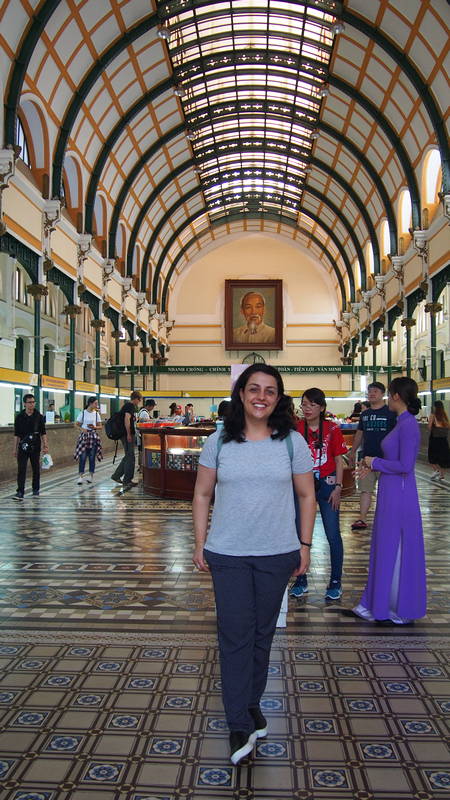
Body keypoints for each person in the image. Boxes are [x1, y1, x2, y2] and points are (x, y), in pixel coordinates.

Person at [192, 364, 315, 765]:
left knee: (263, 635)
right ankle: (239, 723)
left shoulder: (292, 442)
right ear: (241, 394)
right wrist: (200, 543)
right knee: (235, 636)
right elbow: (202, 494)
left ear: (278, 399)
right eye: (254, 389)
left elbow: (306, 496)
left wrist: (305, 545)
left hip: (277, 553)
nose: (261, 396)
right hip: (228, 553)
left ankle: (252, 703)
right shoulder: (219, 442)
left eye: (270, 391)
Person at [346, 377, 426, 625]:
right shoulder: (401, 423)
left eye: (389, 393)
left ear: (396, 397)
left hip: (400, 494)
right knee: (384, 544)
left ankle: (395, 604)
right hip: (391, 490)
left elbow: (405, 465)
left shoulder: (409, 424)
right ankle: (378, 601)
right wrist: (373, 465)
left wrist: (374, 462)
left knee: (393, 545)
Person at [290, 388, 348, 601]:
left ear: (322, 407)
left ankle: (335, 581)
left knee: (332, 534)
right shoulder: (296, 429)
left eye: (312, 404)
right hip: (302, 487)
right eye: (304, 404)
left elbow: (339, 459)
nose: (307, 408)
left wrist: (338, 487)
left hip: (327, 486)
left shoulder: (332, 428)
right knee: (299, 535)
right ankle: (301, 579)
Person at [347, 382, 396, 531]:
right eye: (369, 391)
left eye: (375, 391)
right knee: (365, 489)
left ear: (383, 394)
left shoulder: (390, 413)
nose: (372, 393)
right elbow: (359, 434)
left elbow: (396, 435)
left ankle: (388, 518)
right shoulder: (365, 414)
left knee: (386, 491)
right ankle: (362, 519)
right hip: (366, 459)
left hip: (385, 460)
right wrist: (353, 451)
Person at [13, 394, 48, 500]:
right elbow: (16, 434)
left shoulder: (39, 416)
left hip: (35, 446)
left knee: (36, 468)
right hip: (22, 447)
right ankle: (20, 491)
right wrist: (14, 449)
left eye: (33, 402)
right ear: (24, 404)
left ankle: (36, 489)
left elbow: (43, 433)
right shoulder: (19, 417)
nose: (32, 404)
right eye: (30, 402)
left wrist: (46, 445)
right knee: (21, 469)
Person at [111, 390, 142, 488]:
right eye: (139, 400)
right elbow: (127, 419)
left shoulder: (127, 406)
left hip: (124, 434)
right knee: (130, 457)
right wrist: (128, 434)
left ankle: (116, 475)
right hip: (126, 434)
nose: (139, 402)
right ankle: (127, 480)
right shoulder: (130, 406)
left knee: (128, 456)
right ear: (136, 399)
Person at [74, 396, 102, 484]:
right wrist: (82, 429)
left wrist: (95, 427)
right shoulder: (83, 413)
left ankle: (91, 475)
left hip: (93, 436)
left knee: (92, 456)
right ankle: (80, 476)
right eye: (95, 403)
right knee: (82, 456)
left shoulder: (96, 414)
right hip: (84, 436)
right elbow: (76, 424)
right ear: (90, 403)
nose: (96, 405)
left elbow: (100, 426)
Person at [427, 400, 450, 481]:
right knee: (443, 458)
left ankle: (436, 470)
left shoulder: (433, 415)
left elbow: (429, 427)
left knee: (432, 457)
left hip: (434, 439)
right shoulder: (445, 416)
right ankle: (442, 475)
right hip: (443, 440)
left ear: (435, 407)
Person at [136, 398, 156, 471]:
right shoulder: (144, 413)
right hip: (142, 435)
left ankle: (140, 466)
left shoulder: (143, 411)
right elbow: (146, 424)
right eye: (153, 406)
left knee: (141, 450)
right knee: (141, 450)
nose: (153, 408)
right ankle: (141, 467)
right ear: (149, 406)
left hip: (140, 435)